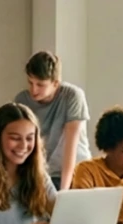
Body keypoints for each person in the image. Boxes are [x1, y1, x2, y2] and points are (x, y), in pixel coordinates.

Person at [13, 51, 91, 191]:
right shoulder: (22, 100)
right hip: (43, 174)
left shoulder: (72, 96)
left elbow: (70, 145)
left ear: (55, 83)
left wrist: (63, 192)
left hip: (77, 172)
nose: (33, 89)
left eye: (40, 85)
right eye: (30, 82)